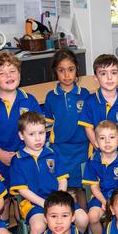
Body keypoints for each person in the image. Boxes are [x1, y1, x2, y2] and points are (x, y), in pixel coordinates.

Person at [9, 112, 88, 234]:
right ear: (21, 135)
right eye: (32, 134)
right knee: (38, 227)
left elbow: (62, 179)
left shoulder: (52, 153)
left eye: (41, 132)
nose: (38, 138)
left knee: (82, 218)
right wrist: (46, 204)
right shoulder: (18, 160)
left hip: (57, 199)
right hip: (34, 204)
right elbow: (22, 190)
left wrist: (59, 199)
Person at [0, 51, 42, 190]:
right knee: (2, 198)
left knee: (25, 194)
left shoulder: (29, 100)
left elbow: (39, 131)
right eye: (1, 73)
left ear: (19, 74)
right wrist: (0, 155)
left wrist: (26, 153)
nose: (9, 76)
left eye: (12, 71)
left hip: (26, 157)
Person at [44, 49, 91, 212]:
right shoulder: (51, 96)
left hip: (81, 148)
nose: (66, 75)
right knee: (62, 188)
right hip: (59, 149)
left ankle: (84, 228)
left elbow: (89, 124)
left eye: (70, 69)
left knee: (81, 188)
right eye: (61, 70)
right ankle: (65, 222)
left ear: (77, 69)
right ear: (55, 72)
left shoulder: (84, 94)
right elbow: (48, 125)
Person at [78, 54, 118, 155]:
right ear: (95, 78)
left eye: (114, 72)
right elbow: (88, 128)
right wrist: (99, 149)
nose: (109, 77)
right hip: (97, 156)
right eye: (103, 73)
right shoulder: (90, 102)